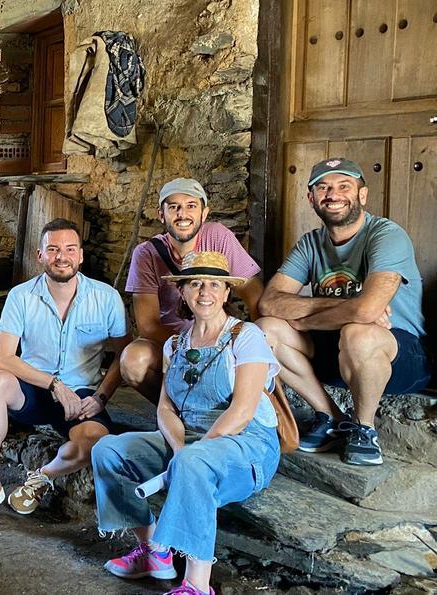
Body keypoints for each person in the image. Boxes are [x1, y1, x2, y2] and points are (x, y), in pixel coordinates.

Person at [93, 252, 281, 595]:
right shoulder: (175, 344)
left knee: (193, 462)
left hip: (246, 445)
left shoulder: (247, 336)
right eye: (195, 283)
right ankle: (153, 551)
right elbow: (166, 409)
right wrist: (179, 449)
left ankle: (197, 583)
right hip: (190, 439)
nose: (204, 291)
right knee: (108, 449)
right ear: (182, 291)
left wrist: (190, 456)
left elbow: (241, 411)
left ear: (227, 293)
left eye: (214, 284)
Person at [257, 158, 431, 466]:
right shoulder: (310, 243)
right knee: (265, 328)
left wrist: (305, 315)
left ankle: (364, 429)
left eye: (343, 186)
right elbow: (270, 302)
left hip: (400, 355)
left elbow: (367, 311)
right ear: (311, 198)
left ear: (362, 195)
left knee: (359, 331)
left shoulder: (386, 235)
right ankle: (333, 417)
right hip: (337, 349)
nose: (332, 194)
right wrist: (342, 307)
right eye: (323, 187)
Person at [0, 219, 128, 525]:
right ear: (39, 255)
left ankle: (41, 478)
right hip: (34, 390)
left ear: (80, 255)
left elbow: (125, 355)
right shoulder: (21, 296)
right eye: (52, 249)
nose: (61, 256)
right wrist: (53, 385)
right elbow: (2, 357)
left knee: (95, 441)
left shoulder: (106, 298)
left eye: (69, 249)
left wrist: (102, 396)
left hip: (81, 396)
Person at [121, 178, 262, 404]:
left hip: (220, 336)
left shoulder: (217, 236)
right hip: (172, 340)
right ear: (161, 214)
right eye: (174, 207)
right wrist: (193, 347)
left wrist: (254, 340)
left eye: (191, 206)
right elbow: (148, 325)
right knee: (133, 361)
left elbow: (252, 292)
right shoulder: (147, 254)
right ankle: (178, 409)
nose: (182, 214)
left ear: (204, 213)